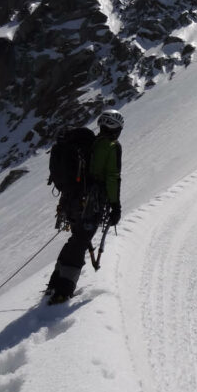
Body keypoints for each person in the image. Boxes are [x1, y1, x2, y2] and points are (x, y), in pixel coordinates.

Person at [46, 109, 124, 304]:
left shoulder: (90, 143)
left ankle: (55, 283)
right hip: (91, 204)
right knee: (80, 241)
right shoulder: (111, 146)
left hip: (71, 201)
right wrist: (115, 206)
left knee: (76, 239)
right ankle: (62, 291)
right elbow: (112, 178)